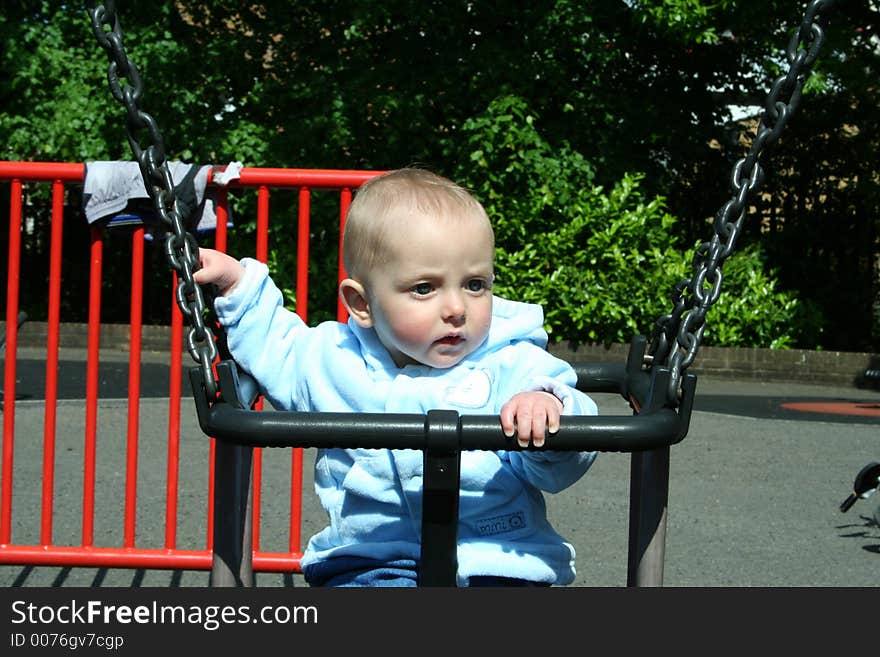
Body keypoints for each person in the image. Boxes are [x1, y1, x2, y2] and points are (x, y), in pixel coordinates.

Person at [194, 167, 599, 586]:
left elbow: (562, 463)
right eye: (425, 288)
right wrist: (237, 285)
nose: (457, 307)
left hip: (498, 557)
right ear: (361, 303)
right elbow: (277, 346)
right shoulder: (333, 360)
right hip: (371, 559)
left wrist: (549, 407)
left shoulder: (512, 361)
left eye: (475, 284)